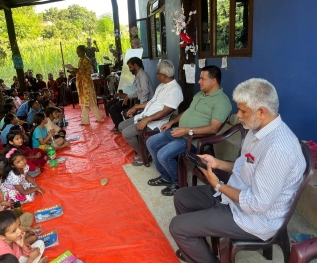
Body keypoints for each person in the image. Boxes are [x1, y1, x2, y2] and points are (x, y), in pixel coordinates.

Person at [169, 78, 306, 263]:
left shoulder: (278, 149)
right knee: (182, 197)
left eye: (243, 111)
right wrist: (217, 163)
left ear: (261, 112)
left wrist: (218, 185)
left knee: (177, 227)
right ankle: (197, 248)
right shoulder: (256, 129)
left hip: (254, 219)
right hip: (236, 197)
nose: (238, 115)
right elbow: (244, 165)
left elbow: (257, 204)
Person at [146, 65, 232, 195]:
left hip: (193, 139)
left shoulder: (222, 101)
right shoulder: (199, 94)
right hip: (180, 131)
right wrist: (172, 122)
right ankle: (166, 177)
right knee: (151, 142)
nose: (199, 81)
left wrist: (187, 131)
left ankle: (178, 183)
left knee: (163, 155)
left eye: (202, 79)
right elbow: (188, 111)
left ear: (213, 81)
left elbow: (213, 128)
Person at [118, 60, 183, 163]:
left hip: (155, 122)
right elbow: (152, 102)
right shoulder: (162, 86)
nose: (156, 74)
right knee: (121, 126)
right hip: (146, 115)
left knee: (127, 133)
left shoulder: (174, 90)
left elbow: (165, 112)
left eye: (157, 72)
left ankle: (145, 153)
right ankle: (143, 148)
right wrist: (136, 107)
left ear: (163, 75)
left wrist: (147, 120)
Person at [108, 57, 154, 133]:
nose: (129, 70)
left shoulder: (142, 76)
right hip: (142, 102)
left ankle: (129, 130)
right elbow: (139, 92)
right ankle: (122, 127)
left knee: (128, 112)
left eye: (130, 67)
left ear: (135, 65)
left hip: (147, 104)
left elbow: (145, 92)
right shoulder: (138, 76)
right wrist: (127, 96)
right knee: (124, 111)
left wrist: (140, 106)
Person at [74, 45, 104, 125]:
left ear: (83, 51)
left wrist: (77, 71)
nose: (77, 53)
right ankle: (91, 119)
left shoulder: (86, 60)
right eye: (77, 52)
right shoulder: (81, 60)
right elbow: (81, 71)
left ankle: (94, 119)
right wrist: (76, 71)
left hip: (86, 84)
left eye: (79, 52)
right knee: (86, 102)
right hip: (82, 84)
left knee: (88, 102)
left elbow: (88, 72)